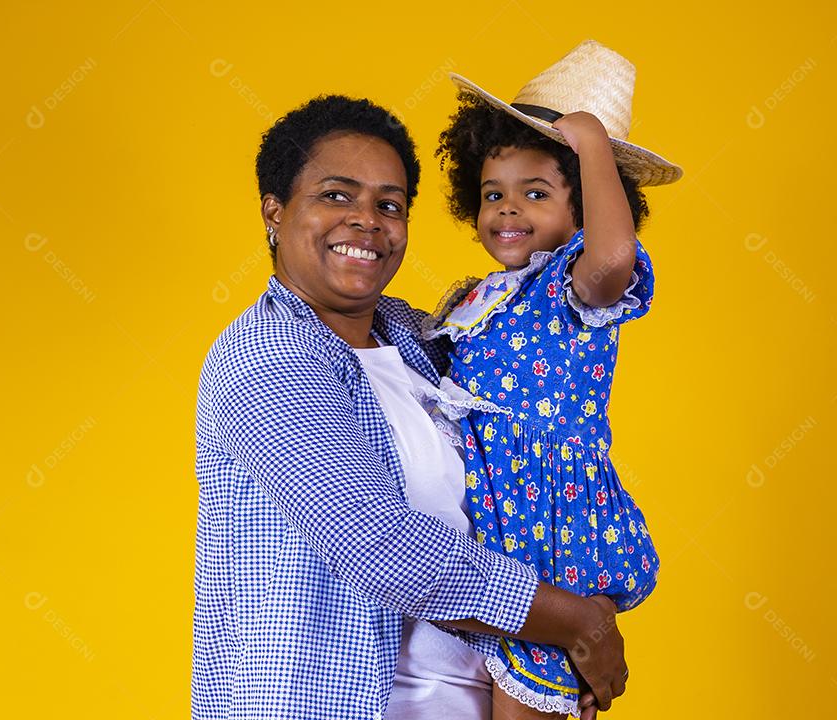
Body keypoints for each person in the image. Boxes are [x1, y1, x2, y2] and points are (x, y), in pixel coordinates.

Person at [192, 94, 626, 720]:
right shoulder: (266, 359)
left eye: (389, 205)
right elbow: (380, 547)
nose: (367, 221)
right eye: (336, 196)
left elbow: (528, 458)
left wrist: (555, 660)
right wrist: (573, 621)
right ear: (275, 212)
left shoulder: (424, 338)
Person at [425, 40, 682, 718]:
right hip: (483, 531)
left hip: (546, 538)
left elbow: (615, 255)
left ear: (585, 212)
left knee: (523, 701)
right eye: (493, 194)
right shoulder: (478, 297)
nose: (508, 210)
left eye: (536, 193)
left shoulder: (574, 286)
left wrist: (593, 146)